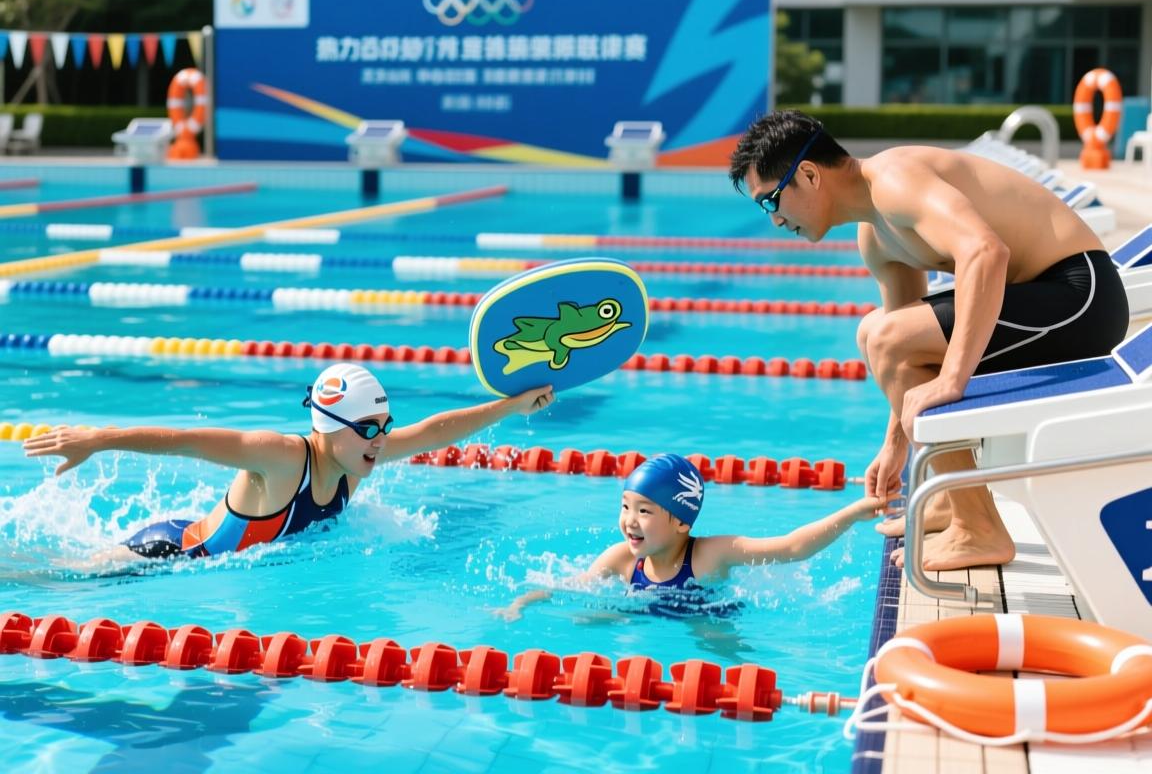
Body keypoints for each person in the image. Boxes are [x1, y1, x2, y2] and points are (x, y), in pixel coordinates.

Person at [728, 110, 1129, 571]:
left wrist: (954, 378)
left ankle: (979, 528)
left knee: (878, 332)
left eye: (769, 201)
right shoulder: (873, 236)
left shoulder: (895, 180)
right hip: (1035, 300)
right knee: (876, 331)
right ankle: (950, 502)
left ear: (810, 174)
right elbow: (902, 355)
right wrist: (894, 445)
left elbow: (985, 251)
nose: (774, 220)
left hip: (1082, 297)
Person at [23, 362, 554, 562]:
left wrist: (510, 406)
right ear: (331, 428)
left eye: (385, 426)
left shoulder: (355, 459)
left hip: (214, 544)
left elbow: (435, 430)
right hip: (165, 554)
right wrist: (99, 439)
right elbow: (186, 439)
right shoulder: (281, 458)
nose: (383, 439)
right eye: (371, 428)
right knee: (47, 577)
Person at [496, 453, 884, 620]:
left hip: (706, 616)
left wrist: (852, 513)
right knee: (584, 619)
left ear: (682, 521)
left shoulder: (710, 555)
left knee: (724, 657)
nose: (629, 520)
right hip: (642, 611)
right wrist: (521, 603)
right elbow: (568, 586)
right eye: (625, 506)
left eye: (644, 511)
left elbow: (792, 548)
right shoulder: (622, 559)